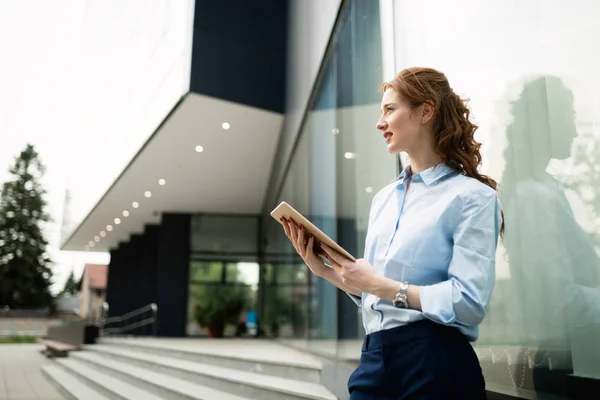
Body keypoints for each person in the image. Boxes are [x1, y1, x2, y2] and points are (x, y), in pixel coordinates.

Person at [280, 67, 503, 399]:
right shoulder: (383, 199)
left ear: (426, 111)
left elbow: (469, 302)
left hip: (437, 362)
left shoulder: (471, 197)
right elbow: (376, 288)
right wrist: (325, 271)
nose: (379, 122)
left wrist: (378, 284)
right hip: (374, 358)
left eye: (390, 109)